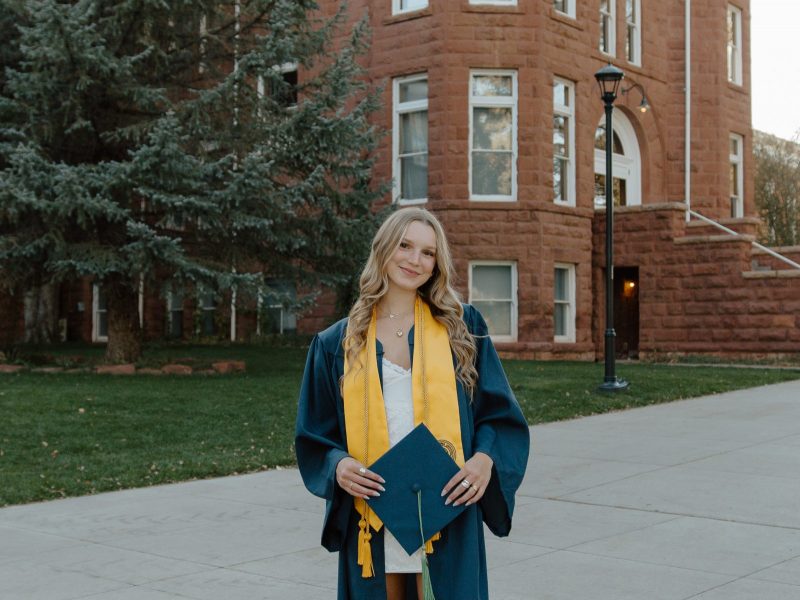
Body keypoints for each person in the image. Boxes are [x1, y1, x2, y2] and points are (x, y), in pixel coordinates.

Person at [295, 207, 530, 600]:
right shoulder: (339, 344)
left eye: (428, 252)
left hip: (445, 504)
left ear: (437, 264)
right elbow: (314, 434)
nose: (415, 260)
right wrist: (338, 466)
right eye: (404, 246)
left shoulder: (462, 328)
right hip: (374, 510)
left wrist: (484, 459)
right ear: (384, 249)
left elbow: (499, 415)